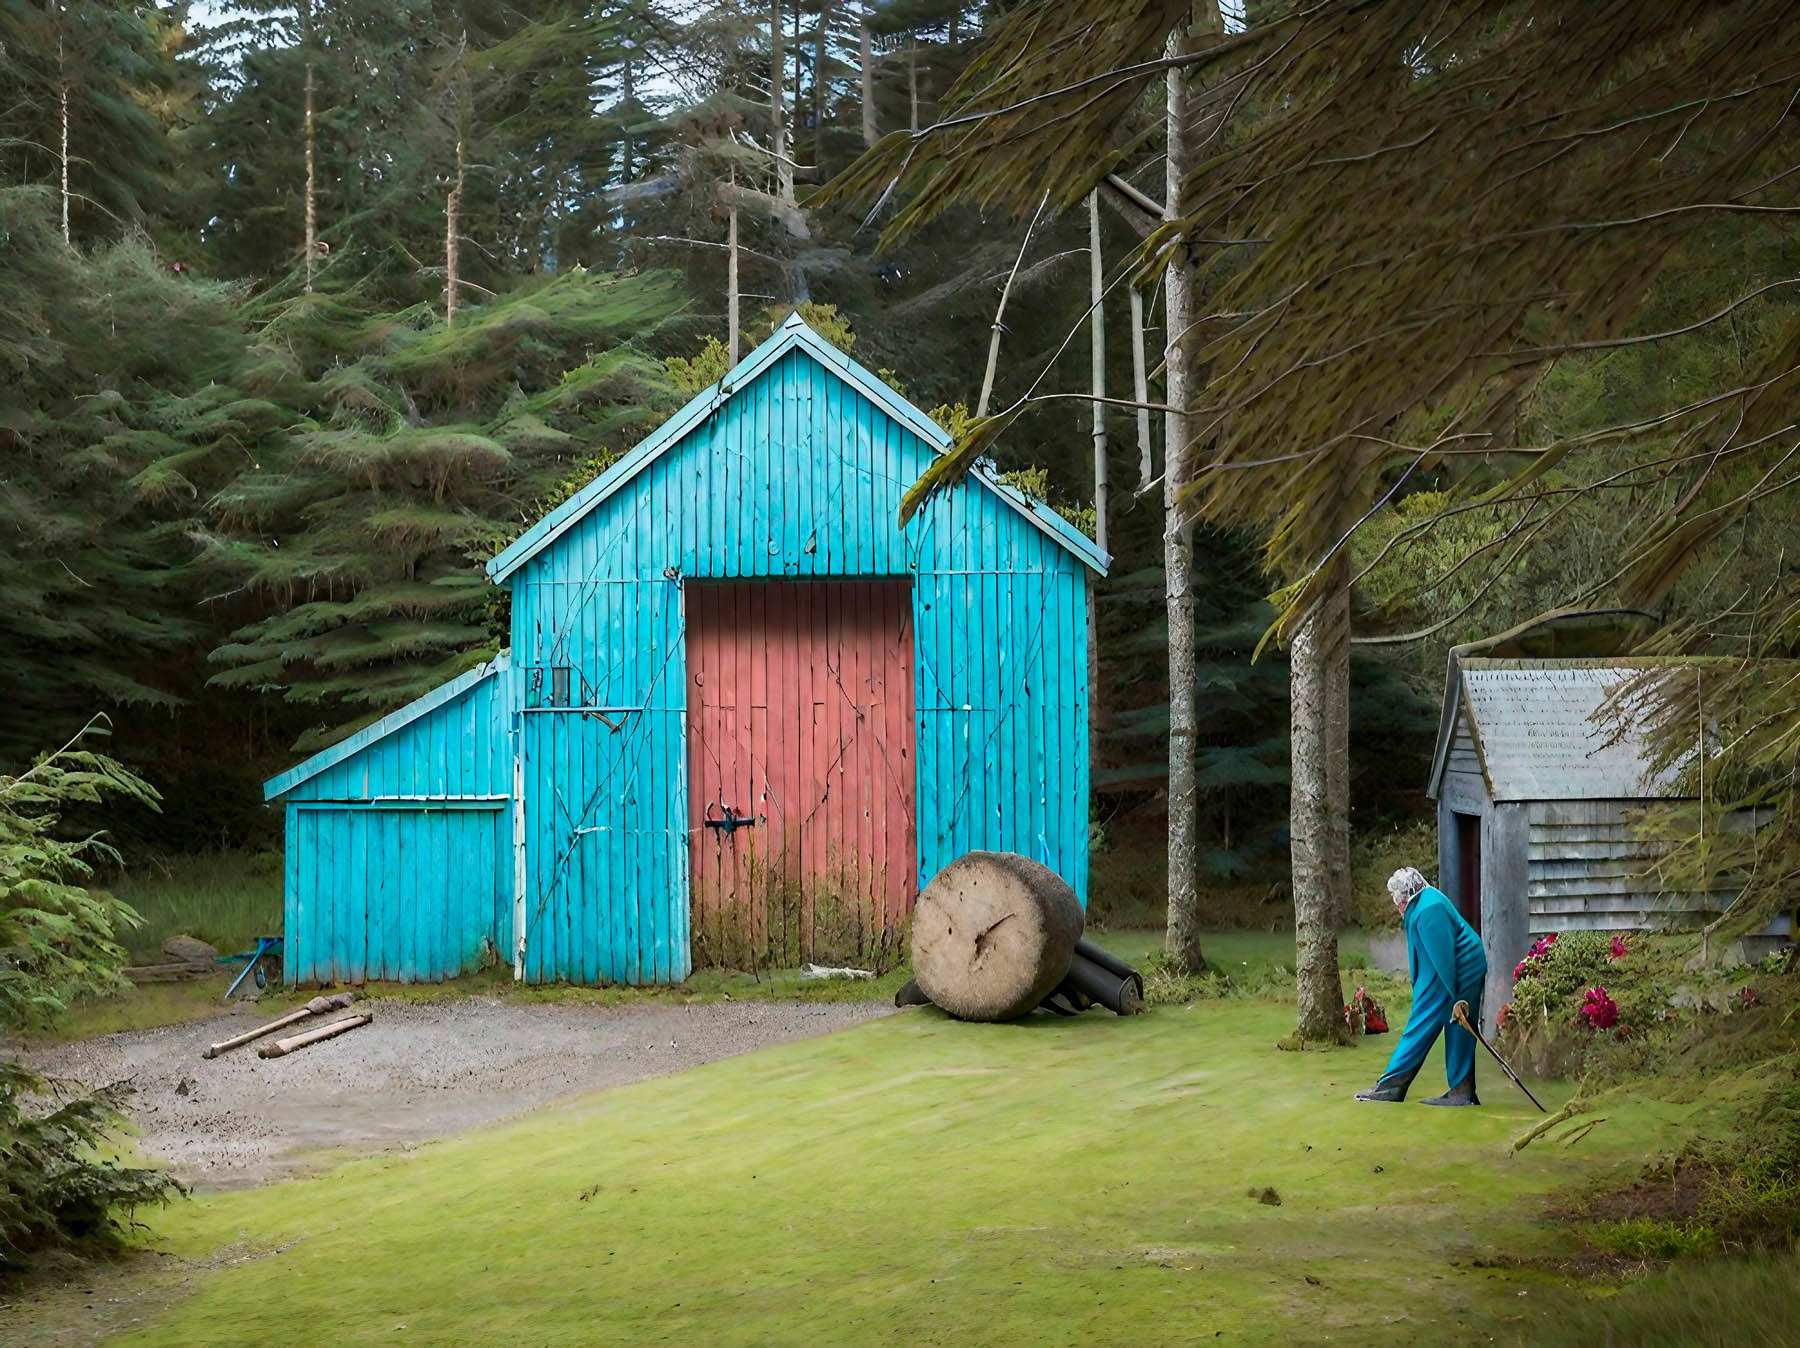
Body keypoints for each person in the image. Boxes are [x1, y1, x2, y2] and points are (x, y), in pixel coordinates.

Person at [1355, 867, 1488, 1106]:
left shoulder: (1429, 910)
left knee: (1428, 1021)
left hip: (1462, 967)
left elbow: (1443, 959)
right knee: (1449, 1022)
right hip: (1455, 965)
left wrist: (1456, 998)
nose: (1397, 907)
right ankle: (1461, 1091)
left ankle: (1392, 1086)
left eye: (1398, 902)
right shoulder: (1423, 905)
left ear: (1406, 898)